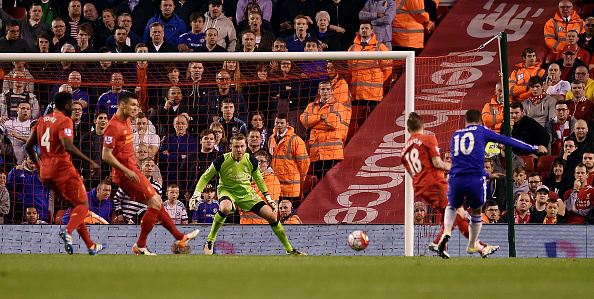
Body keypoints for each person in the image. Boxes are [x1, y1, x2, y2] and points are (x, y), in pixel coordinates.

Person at [437, 109, 546, 258]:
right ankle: (472, 244)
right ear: (480, 121)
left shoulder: (456, 135)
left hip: (455, 178)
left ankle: (446, 233)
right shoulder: (481, 131)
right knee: (477, 212)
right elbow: (507, 140)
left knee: (453, 206)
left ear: (465, 122)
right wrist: (533, 148)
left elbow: (460, 162)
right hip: (475, 179)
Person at [101, 91, 199, 255]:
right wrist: (126, 170)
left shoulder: (126, 121)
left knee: (157, 202)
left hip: (134, 171)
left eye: (136, 105)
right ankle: (141, 244)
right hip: (126, 175)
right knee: (154, 203)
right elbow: (105, 155)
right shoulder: (113, 126)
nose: (135, 108)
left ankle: (180, 237)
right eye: (132, 105)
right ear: (122, 105)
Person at [191, 133, 305, 255]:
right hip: (227, 191)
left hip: (246, 194)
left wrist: (267, 197)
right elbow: (205, 177)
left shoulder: (251, 160)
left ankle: (290, 250)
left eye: (241, 146)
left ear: (245, 147)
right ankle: (210, 240)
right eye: (236, 147)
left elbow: (259, 179)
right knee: (225, 208)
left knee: (272, 216)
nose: (239, 150)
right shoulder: (221, 160)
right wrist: (196, 193)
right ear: (231, 147)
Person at [402, 112, 496, 259]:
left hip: (421, 188)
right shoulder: (428, 139)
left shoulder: (404, 151)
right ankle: (438, 242)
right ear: (423, 126)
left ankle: (480, 247)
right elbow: (437, 163)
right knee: (458, 213)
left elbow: (411, 173)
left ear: (408, 130)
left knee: (460, 215)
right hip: (435, 183)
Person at [24, 91, 105, 254]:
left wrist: (40, 167)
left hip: (47, 173)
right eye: (72, 106)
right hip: (63, 170)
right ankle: (67, 232)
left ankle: (90, 245)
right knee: (83, 205)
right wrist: (90, 162)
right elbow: (67, 145)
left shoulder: (41, 120)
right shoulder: (65, 120)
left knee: (74, 207)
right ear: (67, 106)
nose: (74, 109)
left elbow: (28, 146)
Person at [301, 79, 348, 179]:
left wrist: (313, 123)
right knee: (320, 186)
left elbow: (333, 123)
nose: (325, 91)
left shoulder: (338, 105)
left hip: (332, 154)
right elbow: (304, 120)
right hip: (316, 154)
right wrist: (319, 118)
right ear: (319, 91)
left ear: (331, 91)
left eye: (327, 89)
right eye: (322, 89)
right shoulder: (311, 106)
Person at [348, 23, 392, 112]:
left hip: (374, 94)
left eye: (367, 28)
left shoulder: (381, 47)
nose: (364, 30)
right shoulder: (352, 48)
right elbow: (350, 71)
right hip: (356, 93)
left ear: (372, 31)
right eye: (362, 28)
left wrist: (377, 80)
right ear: (359, 31)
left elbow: (387, 70)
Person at [269, 113, 310, 207]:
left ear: (287, 124)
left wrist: (301, 178)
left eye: (281, 123)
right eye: (277, 123)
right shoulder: (271, 138)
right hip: (276, 186)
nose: (279, 125)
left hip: (291, 187)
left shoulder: (296, 140)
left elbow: (304, 163)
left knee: (290, 215)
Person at [112, 157, 160, 224]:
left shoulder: (157, 186)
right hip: (126, 222)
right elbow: (116, 199)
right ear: (141, 167)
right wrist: (119, 214)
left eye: (152, 166)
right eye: (147, 165)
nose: (150, 168)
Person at [241, 150, 280, 224]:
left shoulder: (272, 180)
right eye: (256, 161)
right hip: (245, 224)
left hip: (263, 224)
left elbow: (263, 201)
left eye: (262, 161)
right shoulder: (247, 179)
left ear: (267, 164)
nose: (259, 164)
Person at [159, 115, 197, 187]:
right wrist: (180, 156)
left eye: (183, 123)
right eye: (178, 123)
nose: (180, 125)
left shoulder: (192, 141)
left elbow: (190, 159)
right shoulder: (167, 139)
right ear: (173, 125)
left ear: (187, 125)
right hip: (169, 176)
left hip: (185, 177)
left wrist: (171, 156)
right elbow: (163, 158)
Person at [0, 101, 33, 165]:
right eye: (23, 108)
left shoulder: (34, 124)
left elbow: (37, 140)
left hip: (31, 161)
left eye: (28, 109)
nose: (25, 110)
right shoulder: (8, 123)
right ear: (17, 110)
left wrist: (19, 136)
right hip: (13, 161)